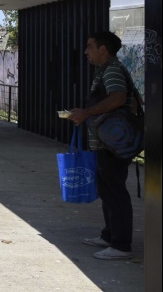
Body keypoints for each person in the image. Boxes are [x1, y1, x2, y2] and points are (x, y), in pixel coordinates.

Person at [67, 30, 136, 260]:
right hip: (106, 143)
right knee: (107, 190)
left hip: (113, 145)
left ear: (102, 49)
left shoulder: (113, 69)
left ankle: (121, 245)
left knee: (115, 192)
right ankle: (109, 235)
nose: (86, 52)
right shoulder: (104, 71)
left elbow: (118, 97)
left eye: (89, 46)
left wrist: (86, 113)